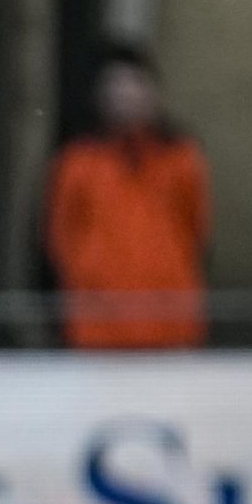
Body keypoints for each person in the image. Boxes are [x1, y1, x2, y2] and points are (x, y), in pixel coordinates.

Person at [44, 43, 215, 351]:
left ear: (153, 92)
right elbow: (62, 236)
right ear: (99, 96)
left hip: (170, 319)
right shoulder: (78, 161)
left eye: (134, 84)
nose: (126, 95)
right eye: (116, 86)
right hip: (98, 324)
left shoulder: (181, 157)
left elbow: (196, 228)